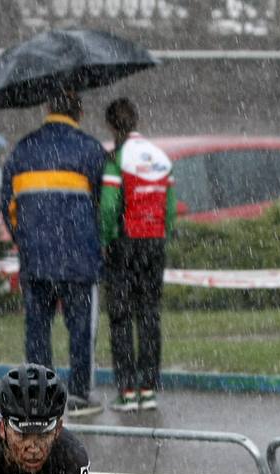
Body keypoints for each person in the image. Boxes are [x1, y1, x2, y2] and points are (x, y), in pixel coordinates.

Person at [0, 90, 106, 418]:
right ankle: (79, 393)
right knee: (81, 329)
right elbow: (105, 205)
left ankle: (39, 395)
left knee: (37, 330)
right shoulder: (91, 150)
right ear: (80, 113)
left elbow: (9, 206)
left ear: (47, 107)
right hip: (79, 258)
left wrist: (27, 239)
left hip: (35, 258)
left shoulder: (22, 150)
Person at [100, 98, 175, 413]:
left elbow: (108, 206)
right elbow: (169, 208)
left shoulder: (117, 158)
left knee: (120, 318)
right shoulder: (159, 157)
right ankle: (148, 388)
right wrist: (161, 233)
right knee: (149, 315)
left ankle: (127, 391)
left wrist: (107, 237)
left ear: (111, 126)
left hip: (125, 243)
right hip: (154, 243)